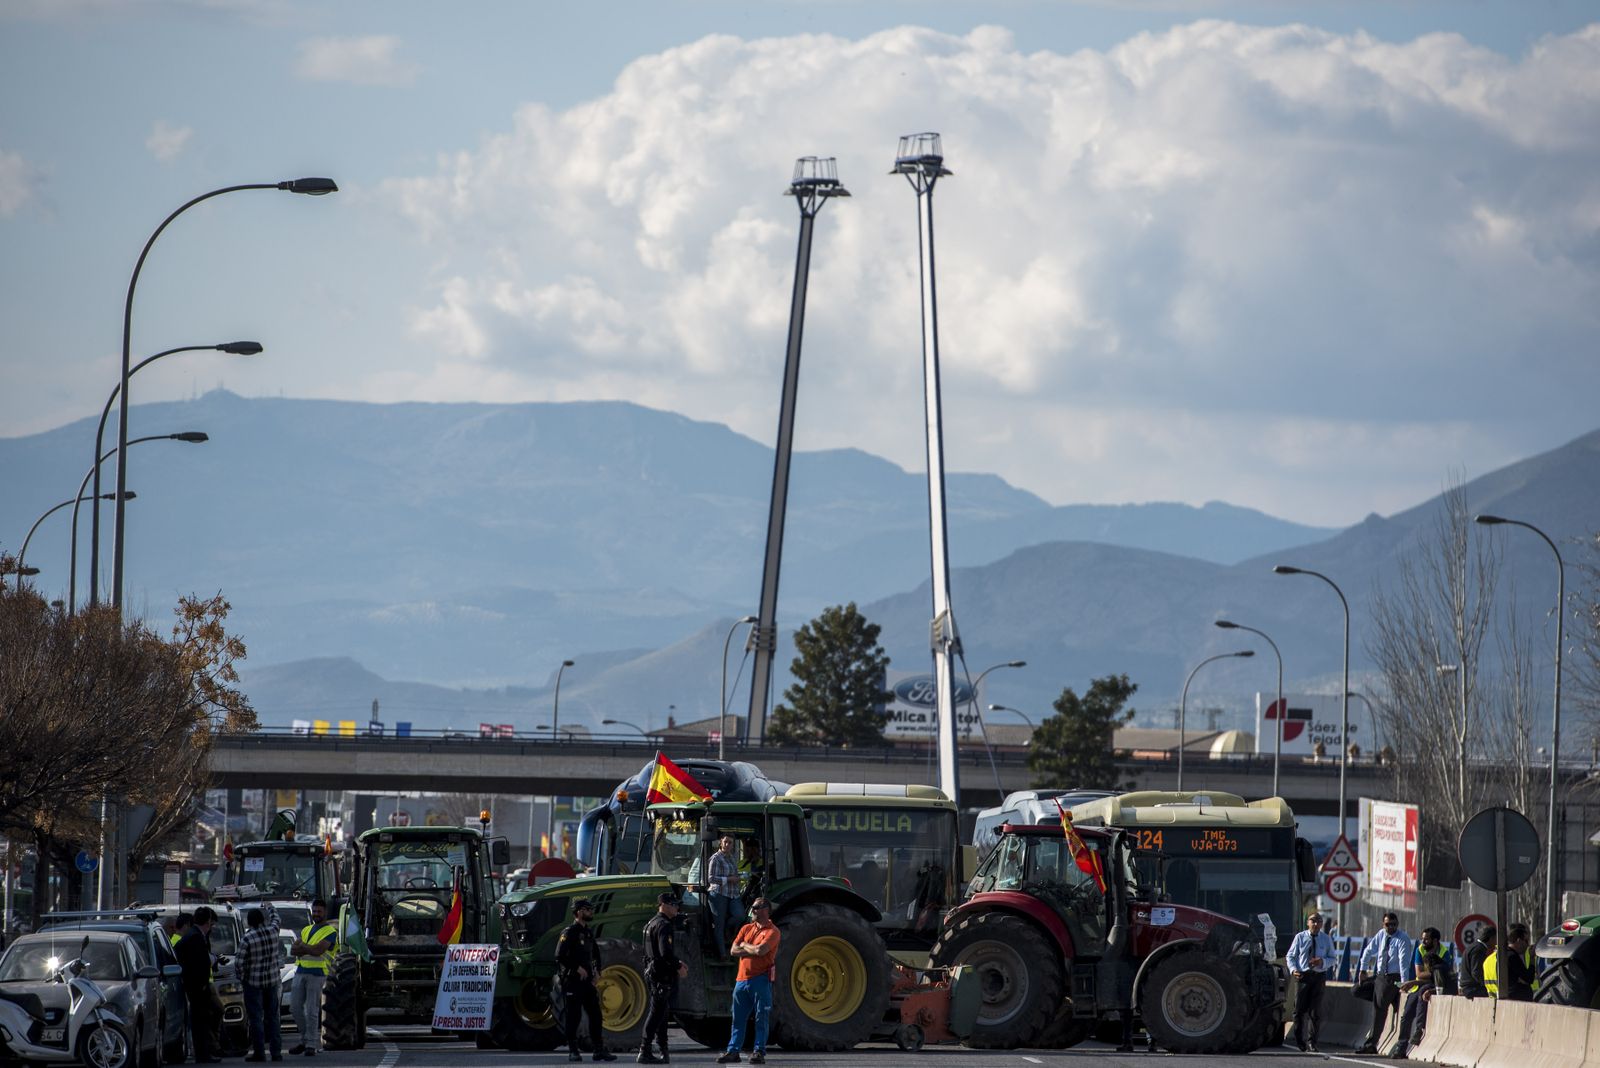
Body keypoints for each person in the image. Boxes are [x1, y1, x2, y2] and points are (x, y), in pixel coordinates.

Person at [717, 897, 779, 1066]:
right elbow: (733, 950)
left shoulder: (773, 931)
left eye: (756, 907)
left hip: (761, 979)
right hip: (741, 980)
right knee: (737, 1018)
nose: (752, 910)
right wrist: (748, 947)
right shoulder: (746, 928)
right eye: (753, 907)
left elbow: (762, 950)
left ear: (766, 909)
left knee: (761, 1017)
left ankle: (759, 1051)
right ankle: (733, 1050)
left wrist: (744, 945)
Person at [557, 898, 615, 1063]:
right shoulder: (570, 932)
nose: (591, 912)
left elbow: (595, 954)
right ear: (579, 912)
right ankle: (573, 1050)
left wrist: (597, 971)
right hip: (573, 981)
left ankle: (598, 1049)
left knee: (596, 1015)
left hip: (588, 982)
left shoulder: (588, 932)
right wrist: (577, 967)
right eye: (588, 910)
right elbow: (560, 956)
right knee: (573, 1016)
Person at [1390, 927, 1455, 1058]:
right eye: (1422, 939)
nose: (1423, 942)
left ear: (1435, 941)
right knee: (1406, 1015)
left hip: (1435, 985)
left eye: (1426, 939)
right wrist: (1432, 973)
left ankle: (1419, 1030)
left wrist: (1429, 976)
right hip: (1422, 984)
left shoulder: (1444, 953)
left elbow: (1441, 976)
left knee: (1422, 996)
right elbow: (1420, 973)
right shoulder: (1419, 950)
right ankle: (1401, 1047)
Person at [639, 892, 686, 1065]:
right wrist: (678, 965)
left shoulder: (651, 922)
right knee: (656, 1012)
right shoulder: (664, 925)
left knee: (662, 1013)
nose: (677, 908)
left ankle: (662, 1049)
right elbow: (665, 953)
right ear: (664, 905)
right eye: (674, 904)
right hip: (661, 974)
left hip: (653, 972)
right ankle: (645, 1050)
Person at [1356, 912, 1413, 1055]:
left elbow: (1403, 962)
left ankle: (1371, 1044)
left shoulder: (1402, 938)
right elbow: (1369, 950)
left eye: (1394, 924)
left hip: (1393, 977)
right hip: (1380, 977)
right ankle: (1387, 998)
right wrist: (1363, 969)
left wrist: (1404, 983)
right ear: (1383, 924)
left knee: (1379, 1009)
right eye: (1388, 924)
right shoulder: (1381, 935)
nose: (1391, 927)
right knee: (1357, 989)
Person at [288, 899, 337, 1057]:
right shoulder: (306, 930)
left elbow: (318, 951)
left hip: (318, 973)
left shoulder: (330, 932)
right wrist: (306, 948)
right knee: (294, 1008)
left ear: (325, 913)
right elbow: (293, 951)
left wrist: (304, 947)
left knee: (311, 1011)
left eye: (319, 911)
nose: (316, 914)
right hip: (301, 971)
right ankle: (305, 1039)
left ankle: (310, 1044)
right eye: (314, 911)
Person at [237, 905, 284, 1062]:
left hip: (253, 983)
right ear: (263, 920)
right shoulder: (273, 931)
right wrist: (270, 908)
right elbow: (277, 919)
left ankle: (259, 1052)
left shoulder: (247, 938)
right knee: (273, 1017)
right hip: (272, 981)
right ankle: (276, 1052)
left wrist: (242, 978)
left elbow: (239, 962)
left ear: (249, 922)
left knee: (256, 1018)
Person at [176, 906, 221, 1063]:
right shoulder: (195, 937)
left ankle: (205, 1052)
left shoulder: (196, 934)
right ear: (208, 921)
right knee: (199, 1021)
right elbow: (199, 962)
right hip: (197, 987)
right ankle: (203, 1054)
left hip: (196, 985)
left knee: (202, 1020)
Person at [1287, 913, 1334, 1052]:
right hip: (1303, 976)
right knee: (1299, 1011)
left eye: (1318, 921)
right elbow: (1291, 955)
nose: (1315, 924)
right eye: (1313, 921)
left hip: (1318, 977)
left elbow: (1333, 958)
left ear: (1321, 924)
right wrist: (1293, 969)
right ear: (1308, 923)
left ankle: (1312, 1042)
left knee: (1315, 1012)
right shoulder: (1300, 937)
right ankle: (1299, 1041)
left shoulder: (1326, 939)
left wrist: (1322, 962)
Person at [1485, 923, 1539, 1001]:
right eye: (1526, 941)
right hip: (1516, 999)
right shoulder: (1512, 956)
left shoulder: (1503, 954)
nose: (1527, 945)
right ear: (1519, 940)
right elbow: (1529, 978)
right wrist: (1531, 958)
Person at [708, 836, 742, 951]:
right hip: (718, 893)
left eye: (730, 842)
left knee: (740, 915)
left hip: (733, 893)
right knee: (719, 925)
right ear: (721, 843)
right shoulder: (715, 858)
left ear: (733, 845)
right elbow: (711, 878)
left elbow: (734, 874)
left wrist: (738, 878)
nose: (727, 844)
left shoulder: (732, 858)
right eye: (725, 842)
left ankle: (728, 927)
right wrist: (728, 879)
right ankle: (722, 954)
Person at [1460, 926, 1496, 999]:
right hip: (1472, 989)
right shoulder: (1479, 949)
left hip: (1468, 988)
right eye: (1496, 938)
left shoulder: (1473, 946)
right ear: (1491, 938)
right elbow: (1476, 972)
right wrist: (1486, 985)